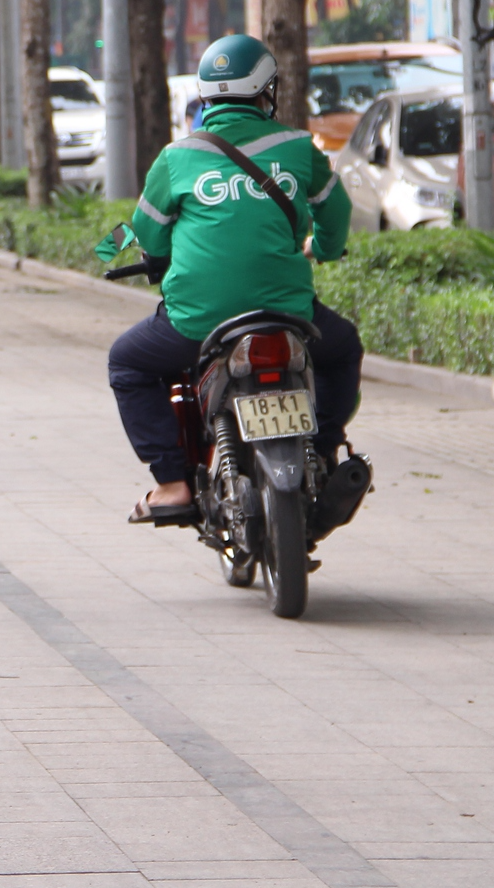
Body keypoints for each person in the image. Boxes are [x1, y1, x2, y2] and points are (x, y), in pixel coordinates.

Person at [102, 34, 362, 524]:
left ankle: (172, 483)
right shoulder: (299, 147)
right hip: (289, 314)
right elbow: (337, 210)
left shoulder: (177, 157)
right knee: (343, 347)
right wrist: (325, 250)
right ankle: (325, 451)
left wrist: (121, 254)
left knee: (127, 363)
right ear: (268, 90)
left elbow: (144, 233)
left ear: (205, 95)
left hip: (197, 320)